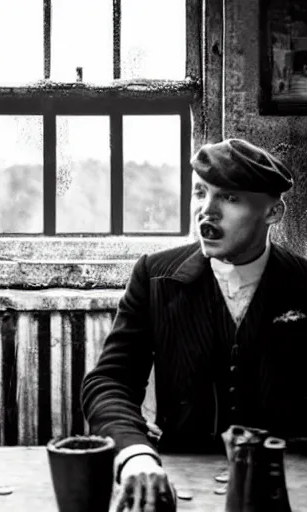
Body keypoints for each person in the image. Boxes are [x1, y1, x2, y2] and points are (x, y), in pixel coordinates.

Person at [81, 138, 307, 511]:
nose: (207, 211)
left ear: (273, 213)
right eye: (200, 193)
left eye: (230, 198)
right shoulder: (154, 276)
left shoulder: (303, 284)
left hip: (287, 482)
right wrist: (135, 452)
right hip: (177, 476)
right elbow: (109, 382)